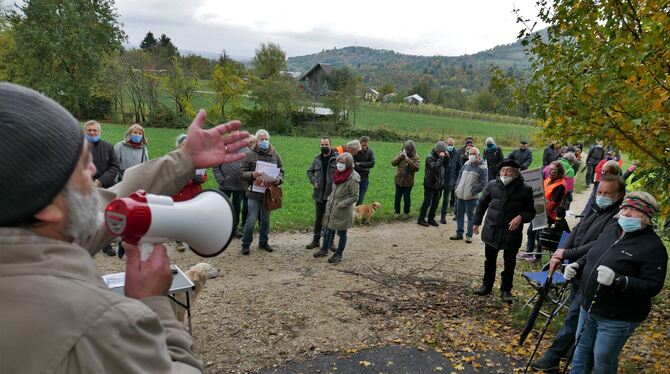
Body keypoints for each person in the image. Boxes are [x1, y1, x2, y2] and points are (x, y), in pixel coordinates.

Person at [0, 82, 249, 373]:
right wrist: (154, 303)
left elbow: (111, 203)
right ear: (47, 206)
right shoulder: (97, 327)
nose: (94, 171)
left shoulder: (27, 223)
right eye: (81, 166)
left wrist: (184, 159)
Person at [563, 192, 667, 374]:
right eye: (625, 208)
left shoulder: (653, 247)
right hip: (587, 306)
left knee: (603, 359)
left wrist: (618, 281)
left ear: (647, 216)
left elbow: (652, 285)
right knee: (580, 350)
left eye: (635, 210)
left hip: (617, 317)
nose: (627, 214)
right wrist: (577, 265)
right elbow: (594, 252)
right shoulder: (612, 229)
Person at [531, 175, 626, 372]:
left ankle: (553, 357)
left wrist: (568, 253)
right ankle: (570, 350)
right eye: (599, 192)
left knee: (574, 316)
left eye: (607, 193)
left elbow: (598, 245)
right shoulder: (595, 208)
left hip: (592, 274)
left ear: (619, 196)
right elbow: (576, 232)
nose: (602, 196)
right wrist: (561, 252)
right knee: (574, 316)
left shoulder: (618, 219)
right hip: (575, 269)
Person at [472, 160, 535, 302]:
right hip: (492, 229)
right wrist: (476, 222)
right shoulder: (492, 185)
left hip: (511, 234)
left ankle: (506, 290)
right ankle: (486, 286)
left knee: (509, 263)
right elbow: (482, 204)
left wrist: (521, 217)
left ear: (516, 173)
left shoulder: (525, 189)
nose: (505, 173)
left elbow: (531, 212)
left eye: (508, 171)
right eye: (503, 171)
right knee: (490, 261)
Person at [240, 129, 284, 255]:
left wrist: (278, 180)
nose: (264, 141)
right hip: (254, 193)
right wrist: (252, 175)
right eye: (261, 139)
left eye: (266, 139)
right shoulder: (249, 154)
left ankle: (263, 242)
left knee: (265, 220)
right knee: (251, 220)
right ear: (257, 140)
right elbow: (242, 173)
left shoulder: (275, 154)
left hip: (268, 193)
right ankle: (245, 244)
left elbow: (281, 170)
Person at [312, 152, 360, 264]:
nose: (339, 164)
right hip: (332, 207)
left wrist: (341, 204)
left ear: (348, 164)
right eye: (338, 162)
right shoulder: (338, 174)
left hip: (343, 210)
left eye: (342, 162)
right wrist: (330, 200)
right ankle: (324, 249)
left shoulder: (353, 177)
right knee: (328, 229)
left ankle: (339, 254)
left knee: (342, 233)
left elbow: (355, 196)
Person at [114, 123, 150, 259]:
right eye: (135, 132)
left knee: (137, 216)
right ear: (130, 134)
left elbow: (146, 165)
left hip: (138, 185)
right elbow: (115, 164)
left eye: (140, 133)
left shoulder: (143, 149)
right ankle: (122, 244)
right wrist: (121, 180)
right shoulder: (119, 146)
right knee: (124, 215)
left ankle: (135, 244)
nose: (137, 135)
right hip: (123, 183)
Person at [84, 120, 119, 256]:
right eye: (89, 130)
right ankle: (87, 245)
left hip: (106, 187)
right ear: (85, 132)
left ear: (100, 132)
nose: (93, 133)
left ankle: (106, 244)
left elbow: (114, 166)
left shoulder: (108, 147)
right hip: (85, 187)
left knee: (106, 216)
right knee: (86, 216)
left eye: (95, 130)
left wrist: (100, 181)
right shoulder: (78, 147)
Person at [521, 161, 567, 262]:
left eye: (553, 170)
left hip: (547, 214)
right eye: (549, 170)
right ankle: (529, 253)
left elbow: (553, 203)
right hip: (538, 211)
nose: (550, 172)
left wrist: (542, 209)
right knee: (531, 232)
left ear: (559, 171)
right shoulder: (548, 180)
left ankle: (537, 257)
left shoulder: (560, 185)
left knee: (539, 235)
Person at [213, 134, 254, 239]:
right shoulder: (223, 148)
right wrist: (221, 180)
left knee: (236, 208)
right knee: (222, 207)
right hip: (225, 185)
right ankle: (220, 228)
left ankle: (234, 229)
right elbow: (215, 166)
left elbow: (250, 165)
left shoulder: (246, 150)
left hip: (240, 185)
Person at [172, 134, 208, 251]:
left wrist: (200, 179)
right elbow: (174, 177)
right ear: (180, 145)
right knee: (180, 217)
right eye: (184, 143)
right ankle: (179, 240)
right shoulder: (175, 158)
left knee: (194, 216)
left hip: (195, 192)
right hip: (181, 192)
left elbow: (204, 174)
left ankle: (193, 240)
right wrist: (190, 180)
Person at [306, 136, 338, 250]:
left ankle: (331, 242)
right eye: (322, 145)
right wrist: (314, 181)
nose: (324, 147)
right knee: (318, 219)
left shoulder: (337, 159)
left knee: (331, 219)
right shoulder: (317, 159)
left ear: (330, 145)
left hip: (332, 195)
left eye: (326, 145)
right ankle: (316, 240)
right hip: (319, 194)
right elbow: (309, 171)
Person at [451, 147, 488, 243]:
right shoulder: (466, 163)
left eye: (473, 154)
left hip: (471, 197)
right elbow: (459, 175)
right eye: (470, 154)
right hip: (460, 195)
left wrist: (473, 191)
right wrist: (457, 187)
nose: (471, 156)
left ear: (478, 155)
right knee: (459, 215)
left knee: (471, 217)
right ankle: (459, 233)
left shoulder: (483, 168)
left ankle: (469, 235)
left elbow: (483, 183)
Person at [417, 141, 447, 227]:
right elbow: (435, 168)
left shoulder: (441, 156)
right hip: (430, 183)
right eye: (442, 151)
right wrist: (441, 158)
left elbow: (445, 166)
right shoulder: (429, 157)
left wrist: (446, 158)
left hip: (438, 183)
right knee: (427, 202)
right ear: (438, 150)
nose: (443, 153)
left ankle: (431, 218)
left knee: (435, 202)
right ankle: (421, 219)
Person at [391, 140, 420, 220]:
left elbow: (416, 168)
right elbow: (393, 163)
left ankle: (406, 213)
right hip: (398, 180)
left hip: (408, 182)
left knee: (407, 198)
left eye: (408, 149)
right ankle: (397, 212)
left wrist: (409, 161)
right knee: (397, 197)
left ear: (412, 149)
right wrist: (401, 157)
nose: (406, 150)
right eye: (405, 148)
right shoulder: (401, 154)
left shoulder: (415, 157)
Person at [439, 137, 461, 223]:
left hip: (450, 180)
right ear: (446, 144)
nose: (450, 146)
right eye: (449, 145)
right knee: (437, 198)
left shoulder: (456, 153)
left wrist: (455, 178)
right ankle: (431, 215)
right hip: (440, 179)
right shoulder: (442, 153)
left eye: (452, 145)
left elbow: (459, 167)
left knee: (446, 199)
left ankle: (443, 216)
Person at [353, 136, 375, 206]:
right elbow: (353, 165)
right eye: (363, 145)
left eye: (366, 145)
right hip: (355, 178)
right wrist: (365, 169)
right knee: (353, 198)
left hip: (364, 179)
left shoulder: (370, 152)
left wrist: (360, 163)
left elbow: (372, 163)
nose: (364, 147)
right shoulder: (355, 152)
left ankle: (358, 214)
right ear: (359, 144)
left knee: (360, 199)